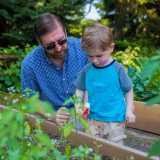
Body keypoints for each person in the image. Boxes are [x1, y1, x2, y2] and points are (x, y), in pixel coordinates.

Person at [21, 12, 88, 125]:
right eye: (50, 45)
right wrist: (51, 116)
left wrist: (85, 112)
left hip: (85, 114)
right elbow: (30, 100)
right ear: (40, 43)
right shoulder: (30, 64)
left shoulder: (83, 49)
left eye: (62, 41)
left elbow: (96, 82)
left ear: (66, 32)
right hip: (51, 120)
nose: (58, 49)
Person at [74, 23, 136, 144]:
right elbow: (80, 89)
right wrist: (78, 106)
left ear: (111, 47)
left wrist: (129, 110)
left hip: (115, 120)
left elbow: (128, 90)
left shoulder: (118, 69)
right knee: (92, 148)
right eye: (90, 56)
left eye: (99, 55)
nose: (94, 60)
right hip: (92, 119)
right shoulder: (86, 70)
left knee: (114, 151)